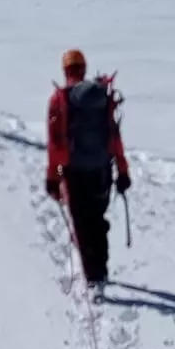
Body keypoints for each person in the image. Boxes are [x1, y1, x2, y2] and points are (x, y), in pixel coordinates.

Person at [46, 49, 131, 289]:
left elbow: (56, 145)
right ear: (83, 69)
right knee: (96, 219)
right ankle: (100, 269)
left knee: (81, 222)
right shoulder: (102, 98)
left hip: (71, 172)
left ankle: (92, 277)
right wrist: (122, 171)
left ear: (65, 71)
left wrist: (54, 177)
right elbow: (114, 137)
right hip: (102, 171)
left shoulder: (59, 100)